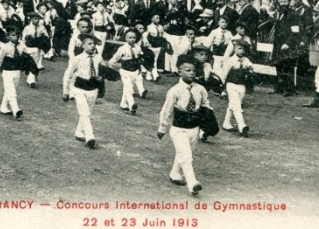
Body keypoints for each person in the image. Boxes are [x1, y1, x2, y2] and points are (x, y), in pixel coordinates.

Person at [157, 55, 211, 196]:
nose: (192, 73)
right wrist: (162, 128)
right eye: (187, 70)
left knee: (184, 153)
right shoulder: (175, 90)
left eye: (193, 70)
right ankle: (192, 183)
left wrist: (207, 122)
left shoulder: (200, 89)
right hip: (179, 128)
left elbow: (206, 105)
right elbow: (166, 110)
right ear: (179, 72)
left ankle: (175, 173)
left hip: (194, 128)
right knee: (186, 156)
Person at [62, 33, 104, 149]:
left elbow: (102, 71)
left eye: (94, 44)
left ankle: (79, 132)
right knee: (84, 112)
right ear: (83, 46)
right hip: (79, 88)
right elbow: (69, 75)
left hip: (93, 89)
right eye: (89, 44)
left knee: (87, 113)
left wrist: (101, 77)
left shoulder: (98, 58)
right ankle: (90, 136)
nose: (92, 46)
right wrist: (66, 91)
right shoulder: (77, 59)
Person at [219, 39, 254, 136]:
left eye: (244, 49)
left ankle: (226, 123)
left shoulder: (246, 60)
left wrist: (250, 69)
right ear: (234, 49)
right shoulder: (230, 60)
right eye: (239, 48)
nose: (242, 51)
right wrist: (223, 88)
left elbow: (251, 68)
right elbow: (224, 74)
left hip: (242, 86)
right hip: (231, 85)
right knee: (237, 106)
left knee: (233, 105)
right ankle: (242, 126)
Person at [109, 28, 147, 114]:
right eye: (130, 37)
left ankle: (123, 103)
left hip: (134, 71)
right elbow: (114, 59)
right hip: (125, 71)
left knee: (127, 88)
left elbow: (140, 58)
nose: (132, 39)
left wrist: (142, 68)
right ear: (126, 38)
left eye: (134, 37)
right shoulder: (122, 48)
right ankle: (132, 105)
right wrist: (110, 69)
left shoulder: (138, 47)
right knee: (129, 88)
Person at [0, 26, 24, 120]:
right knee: (12, 92)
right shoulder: (5, 47)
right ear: (8, 36)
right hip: (7, 72)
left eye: (17, 35)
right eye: (13, 35)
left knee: (10, 90)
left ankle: (4, 107)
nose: (16, 37)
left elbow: (27, 55)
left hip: (17, 71)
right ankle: (16, 110)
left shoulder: (21, 46)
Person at [22, 12, 47, 88]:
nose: (36, 21)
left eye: (38, 19)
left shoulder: (41, 27)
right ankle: (31, 77)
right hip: (29, 48)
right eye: (35, 19)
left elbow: (46, 36)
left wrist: (43, 40)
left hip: (37, 48)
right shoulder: (27, 28)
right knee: (30, 63)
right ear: (31, 19)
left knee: (34, 64)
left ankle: (31, 80)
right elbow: (23, 39)